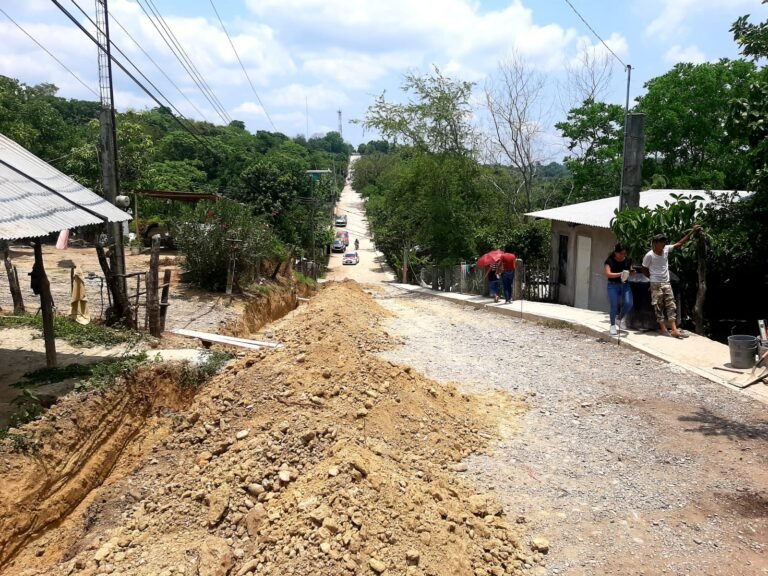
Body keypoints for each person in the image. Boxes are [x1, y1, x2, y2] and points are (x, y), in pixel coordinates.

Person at [641, 225, 701, 338]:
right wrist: (652, 278)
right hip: (656, 283)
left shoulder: (666, 249)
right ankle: (663, 329)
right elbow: (643, 268)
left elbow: (679, 243)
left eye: (664, 241)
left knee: (671, 304)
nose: (663, 244)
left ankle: (674, 329)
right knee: (658, 306)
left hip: (666, 282)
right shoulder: (649, 255)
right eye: (661, 242)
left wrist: (692, 231)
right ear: (655, 243)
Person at [604, 243, 634, 335]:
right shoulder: (609, 261)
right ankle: (612, 325)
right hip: (613, 285)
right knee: (614, 305)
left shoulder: (628, 260)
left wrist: (632, 272)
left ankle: (619, 318)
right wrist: (620, 273)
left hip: (625, 284)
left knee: (629, 303)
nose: (623, 255)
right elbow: (608, 274)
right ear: (616, 252)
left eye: (624, 253)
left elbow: (630, 270)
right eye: (621, 253)